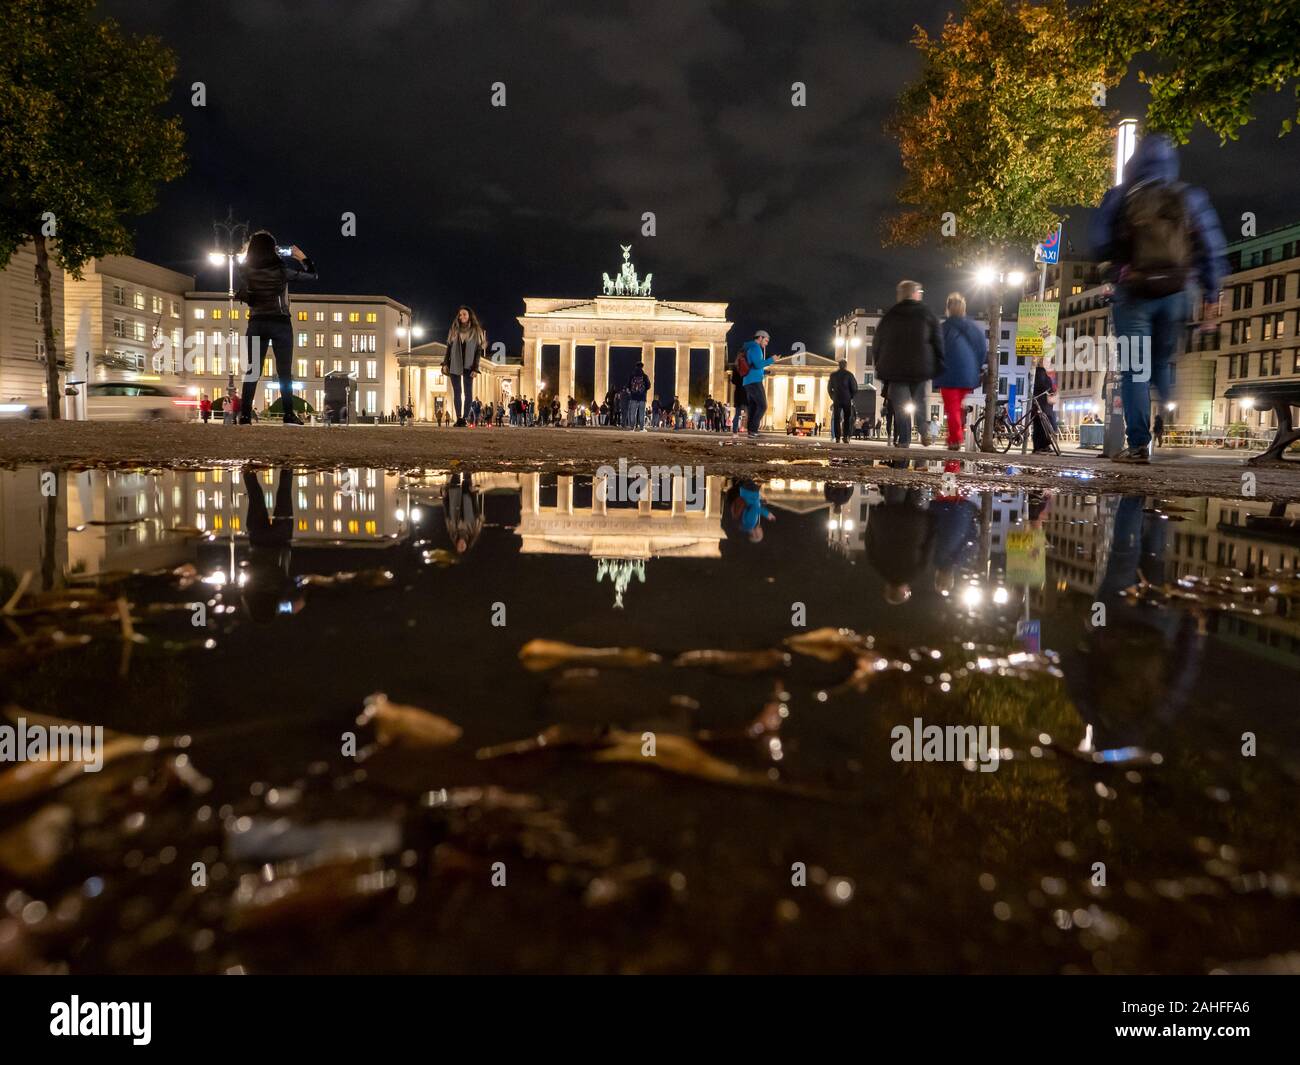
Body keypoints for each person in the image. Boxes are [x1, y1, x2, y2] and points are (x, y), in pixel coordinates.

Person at [1088, 132, 1226, 463]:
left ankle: (1138, 445)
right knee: (1162, 359)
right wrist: (1211, 292)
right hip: (1179, 292)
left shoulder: (1120, 196)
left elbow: (1098, 242)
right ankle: (1168, 402)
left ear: (1135, 163)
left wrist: (1115, 268)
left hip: (1133, 291)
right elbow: (1212, 247)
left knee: (1135, 368)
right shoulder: (1189, 197)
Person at [235, 231, 317, 425]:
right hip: (280, 323)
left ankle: (245, 415)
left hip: (256, 322)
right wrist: (302, 257)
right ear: (273, 249)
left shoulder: (245, 270)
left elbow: (245, 270)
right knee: (284, 371)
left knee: (253, 371)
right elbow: (312, 276)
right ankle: (288, 414)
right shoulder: (281, 270)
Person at [872, 280, 943, 448]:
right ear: (915, 294)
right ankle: (924, 431)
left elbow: (877, 342)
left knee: (901, 407)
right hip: (920, 368)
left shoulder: (890, 315)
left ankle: (904, 441)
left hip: (895, 370)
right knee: (919, 401)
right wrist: (938, 362)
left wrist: (879, 365)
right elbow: (937, 340)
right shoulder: (926, 313)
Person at [935, 292, 984, 449]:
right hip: (969, 375)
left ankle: (955, 438)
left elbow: (936, 350)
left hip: (948, 374)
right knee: (956, 405)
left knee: (952, 407)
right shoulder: (973, 328)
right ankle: (956, 433)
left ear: (947, 309)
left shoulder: (944, 328)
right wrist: (975, 368)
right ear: (964, 309)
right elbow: (981, 349)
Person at [443, 306, 486, 427]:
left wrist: (475, 368)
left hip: (469, 365)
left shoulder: (476, 331)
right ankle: (459, 418)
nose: (462, 317)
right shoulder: (454, 330)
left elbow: (478, 351)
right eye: (460, 315)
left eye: (464, 314)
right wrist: (445, 363)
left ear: (469, 316)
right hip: (454, 363)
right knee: (457, 391)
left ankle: (465, 418)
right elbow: (449, 347)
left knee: (468, 392)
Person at [739, 330, 773, 439]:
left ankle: (751, 432)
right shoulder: (756, 348)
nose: (766, 343)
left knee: (753, 407)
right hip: (754, 381)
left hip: (749, 380)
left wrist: (764, 372)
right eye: (766, 340)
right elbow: (758, 364)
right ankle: (753, 430)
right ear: (760, 338)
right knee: (763, 406)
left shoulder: (750, 347)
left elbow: (752, 366)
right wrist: (772, 359)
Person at [443, 471, 484, 555]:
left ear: (456, 545)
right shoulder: (473, 531)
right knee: (467, 478)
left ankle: (455, 460)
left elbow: (447, 514)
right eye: (463, 547)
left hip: (454, 497)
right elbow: (477, 512)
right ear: (466, 545)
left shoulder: (452, 530)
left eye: (459, 547)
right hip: (468, 497)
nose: (461, 545)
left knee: (455, 476)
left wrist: (445, 498)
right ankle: (467, 462)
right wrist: (473, 495)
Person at [828, 358, 857, 443]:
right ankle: (845, 437)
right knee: (847, 418)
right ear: (845, 365)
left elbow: (829, 388)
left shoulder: (833, 375)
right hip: (846, 399)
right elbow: (855, 388)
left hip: (837, 399)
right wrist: (851, 396)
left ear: (839, 365)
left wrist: (832, 397)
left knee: (837, 418)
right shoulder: (849, 375)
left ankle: (837, 438)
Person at [1031, 356, 1057, 453]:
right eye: (1047, 361)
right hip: (1041, 404)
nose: (1049, 363)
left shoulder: (1041, 372)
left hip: (1042, 404)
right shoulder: (1040, 372)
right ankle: (1041, 446)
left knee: (1040, 426)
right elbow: (1044, 385)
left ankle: (1041, 446)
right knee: (1041, 426)